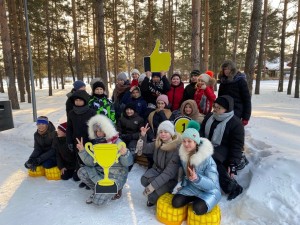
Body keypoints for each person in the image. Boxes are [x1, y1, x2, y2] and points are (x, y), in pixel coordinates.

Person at [76, 114, 134, 205]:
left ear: (108, 129)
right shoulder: (97, 143)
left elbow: (128, 163)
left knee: (98, 201)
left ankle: (116, 189)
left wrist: (125, 154)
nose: (98, 133)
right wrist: (82, 151)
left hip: (116, 176)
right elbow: (91, 162)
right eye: (96, 131)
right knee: (82, 171)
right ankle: (97, 190)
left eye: (101, 130)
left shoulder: (118, 142)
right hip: (101, 172)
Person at [200, 95, 246, 200]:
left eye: (219, 108)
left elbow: (237, 145)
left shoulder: (235, 123)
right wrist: (200, 142)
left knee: (211, 159)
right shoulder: (209, 116)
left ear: (227, 109)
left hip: (225, 148)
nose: (215, 109)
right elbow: (202, 131)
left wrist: (233, 163)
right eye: (215, 106)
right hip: (208, 144)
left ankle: (232, 187)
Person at [172, 120, 221, 215]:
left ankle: (199, 201)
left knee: (198, 209)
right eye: (184, 141)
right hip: (193, 187)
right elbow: (187, 175)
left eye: (189, 141)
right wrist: (183, 184)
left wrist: (197, 179)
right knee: (176, 202)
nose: (186, 144)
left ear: (196, 142)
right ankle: (195, 198)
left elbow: (212, 185)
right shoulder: (184, 155)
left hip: (210, 190)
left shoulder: (206, 158)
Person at [137, 121, 181, 207]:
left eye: (166, 132)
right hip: (156, 172)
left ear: (171, 133)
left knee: (152, 198)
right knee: (144, 180)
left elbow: (168, 173)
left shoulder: (176, 149)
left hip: (169, 179)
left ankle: (166, 190)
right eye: (161, 132)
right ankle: (159, 190)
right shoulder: (157, 143)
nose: (163, 134)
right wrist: (143, 136)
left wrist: (152, 186)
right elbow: (145, 149)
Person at [67, 90, 96, 189]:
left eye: (80, 100)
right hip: (77, 141)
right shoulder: (71, 113)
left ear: (85, 101)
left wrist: (94, 141)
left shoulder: (91, 112)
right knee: (79, 159)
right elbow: (69, 128)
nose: (78, 102)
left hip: (89, 141)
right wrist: (69, 141)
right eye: (76, 100)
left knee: (88, 160)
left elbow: (95, 128)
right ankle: (83, 177)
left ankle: (90, 178)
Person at [218, 60, 252, 125]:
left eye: (228, 69)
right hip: (224, 111)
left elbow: (247, 100)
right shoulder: (223, 82)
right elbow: (220, 98)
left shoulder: (240, 81)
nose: (226, 71)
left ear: (233, 70)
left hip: (237, 112)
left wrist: (246, 117)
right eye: (225, 69)